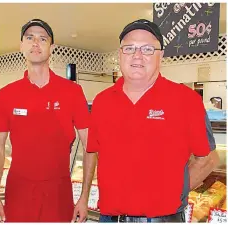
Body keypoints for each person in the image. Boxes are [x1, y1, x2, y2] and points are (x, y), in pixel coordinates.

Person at [86, 19, 219, 223]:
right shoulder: (102, 102)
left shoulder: (187, 100)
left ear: (161, 55)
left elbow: (209, 159)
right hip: (109, 218)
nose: (137, 55)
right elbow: (95, 152)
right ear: (120, 54)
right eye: (129, 48)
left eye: (147, 49)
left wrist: (174, 192)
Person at [0, 19, 97, 222]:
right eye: (29, 38)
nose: (35, 43)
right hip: (18, 192)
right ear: (21, 45)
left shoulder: (72, 92)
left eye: (42, 38)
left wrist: (84, 197)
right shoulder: (7, 94)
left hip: (59, 192)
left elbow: (89, 145)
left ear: (51, 47)